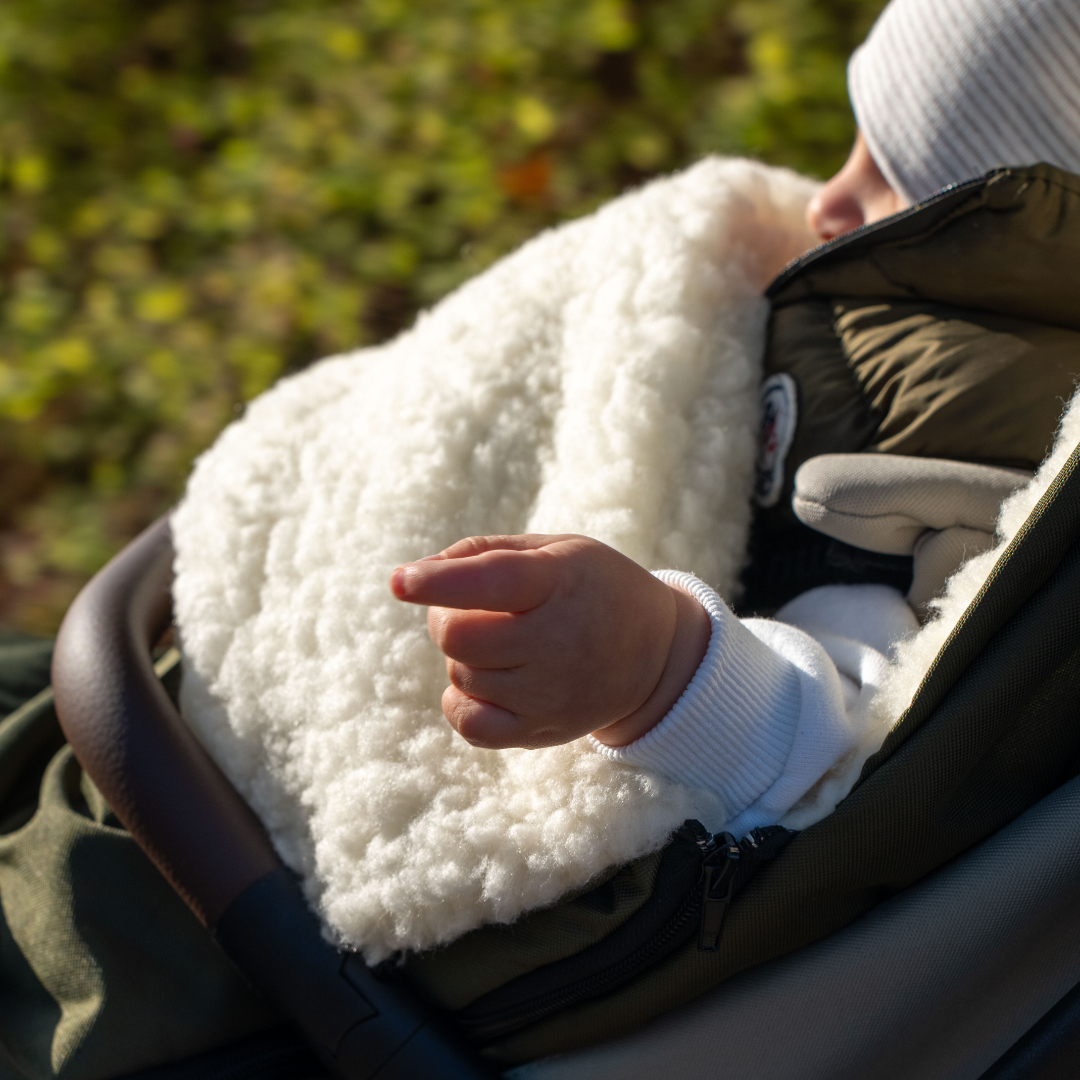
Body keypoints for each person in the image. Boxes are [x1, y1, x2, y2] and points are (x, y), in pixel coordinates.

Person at [391, 0, 1080, 836]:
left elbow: (863, 733)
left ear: (1013, 233)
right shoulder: (897, 335)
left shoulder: (970, 444)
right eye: (849, 145)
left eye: (888, 174)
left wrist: (652, 662)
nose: (827, 201)